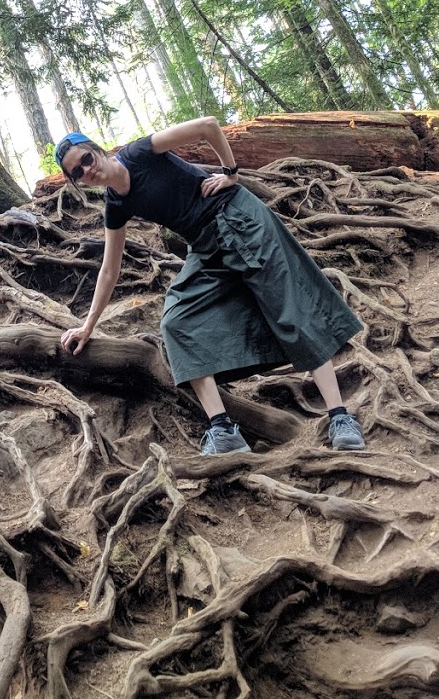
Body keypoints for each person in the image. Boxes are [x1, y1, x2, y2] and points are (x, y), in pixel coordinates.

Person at [55, 121, 366, 454]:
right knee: (177, 322)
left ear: (96, 149)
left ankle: (340, 417)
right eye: (78, 172)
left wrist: (230, 172)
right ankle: (224, 431)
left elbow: (207, 126)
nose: (88, 170)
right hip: (205, 247)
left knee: (290, 309)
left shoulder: (139, 153)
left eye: (87, 159)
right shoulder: (115, 206)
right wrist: (88, 326)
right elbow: (109, 269)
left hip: (239, 218)